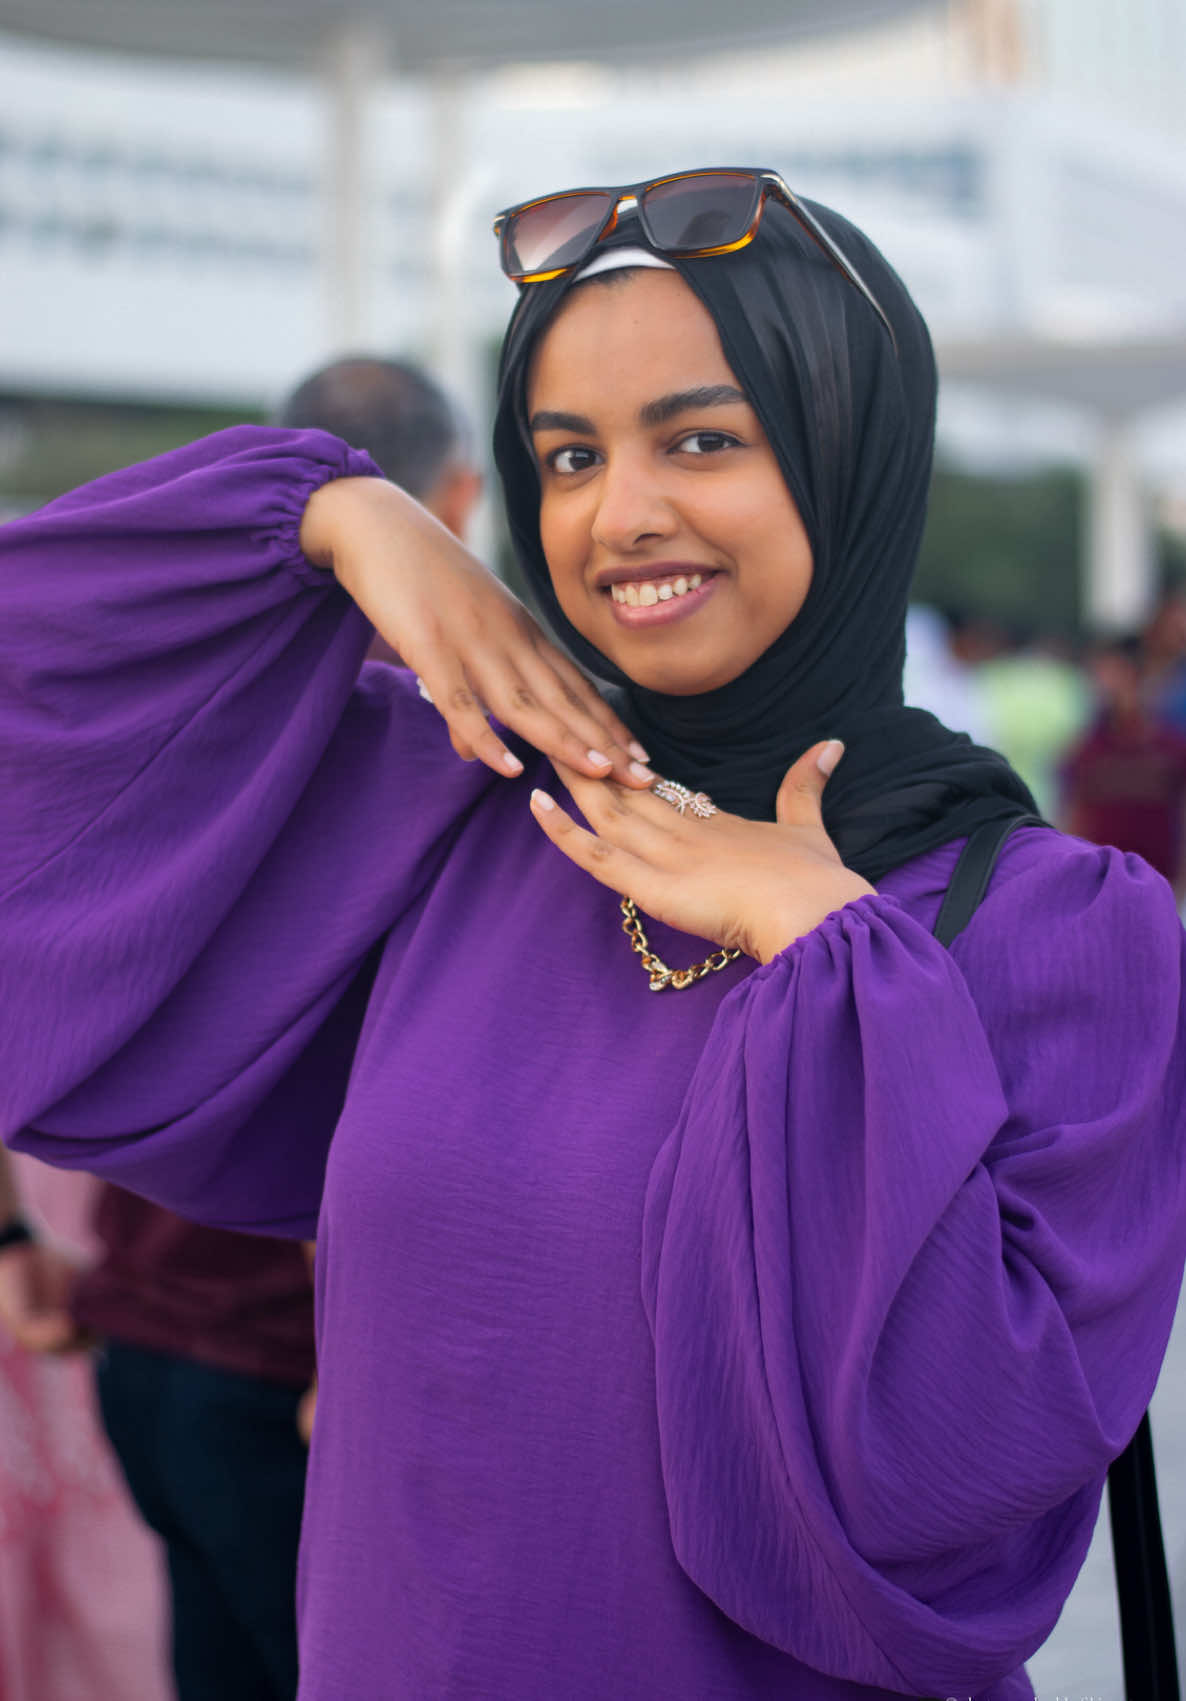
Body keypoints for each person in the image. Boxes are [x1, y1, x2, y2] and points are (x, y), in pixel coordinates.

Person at [3, 166, 1185, 1701]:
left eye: (700, 439)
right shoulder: (469, 820)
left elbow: (971, 1474)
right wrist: (327, 514)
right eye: (566, 456)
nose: (619, 517)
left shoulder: (1051, 927)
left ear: (850, 450)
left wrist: (827, 950)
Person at [0, 354, 482, 1701]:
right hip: (294, 1370)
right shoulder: (430, 702)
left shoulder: (172, 684)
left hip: (139, 1338)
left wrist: (15, 1239)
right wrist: (361, 1354)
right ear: (453, 495)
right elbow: (386, 1065)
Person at [1061, 632, 1186, 891]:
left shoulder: (1172, 748)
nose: (1105, 687)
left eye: (1114, 676)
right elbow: (1073, 819)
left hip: (1162, 886)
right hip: (1101, 885)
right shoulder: (1086, 750)